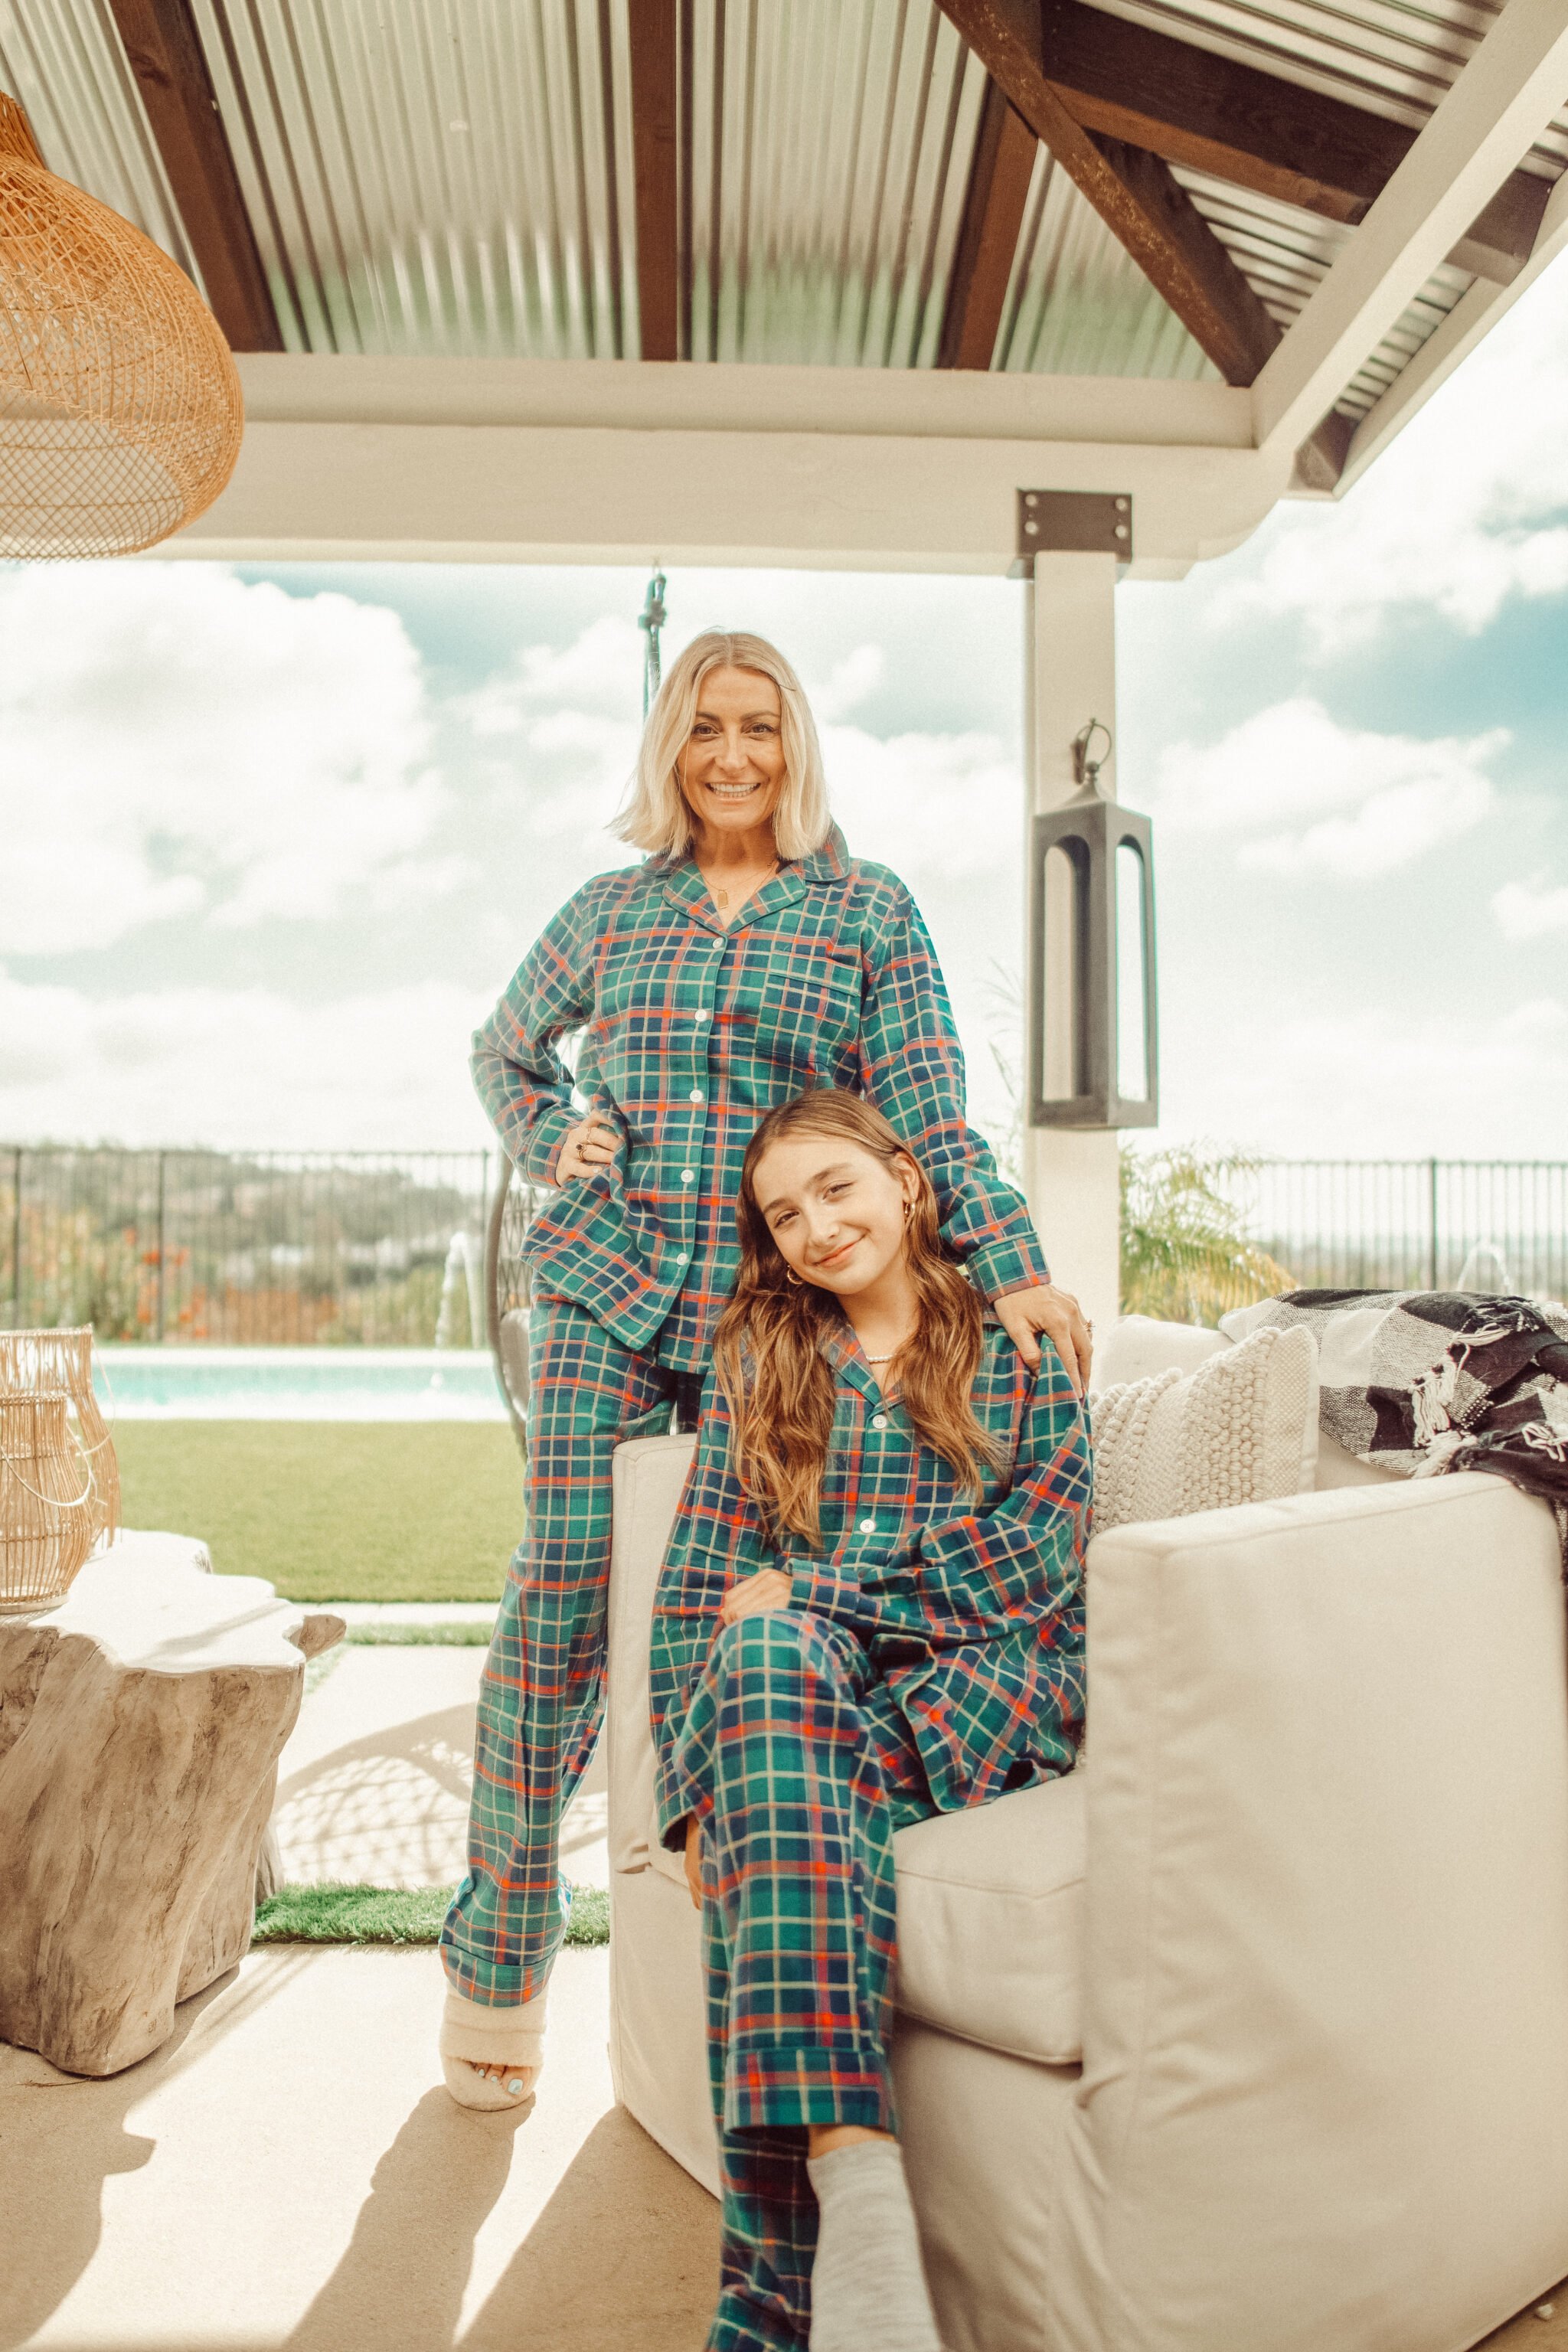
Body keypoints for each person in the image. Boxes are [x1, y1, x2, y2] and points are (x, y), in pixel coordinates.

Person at [439, 629, 1092, 2106]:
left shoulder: (865, 910)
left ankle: (713, 1849)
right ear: (670, 748)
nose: (733, 755)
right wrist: (555, 1139)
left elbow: (923, 1114)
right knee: (556, 1604)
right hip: (606, 1291)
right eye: (704, 728)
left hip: (770, 1318)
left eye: (762, 728)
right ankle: (498, 1968)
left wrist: (1013, 1269)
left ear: (796, 747)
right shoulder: (611, 912)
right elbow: (503, 1051)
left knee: (733, 1594)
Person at [650, 1088, 1091, 2352]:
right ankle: (864, 2191)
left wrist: (820, 1589)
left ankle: (773, 2305)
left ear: (904, 1178)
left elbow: (1032, 1562)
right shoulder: (767, 1363)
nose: (815, 1227)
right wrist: (693, 1791)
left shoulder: (1018, 1337)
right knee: (768, 1669)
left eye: (836, 1188)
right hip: (814, 1697)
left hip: (985, 1698)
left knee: (780, 1660)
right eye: (784, 1216)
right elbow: (701, 1591)